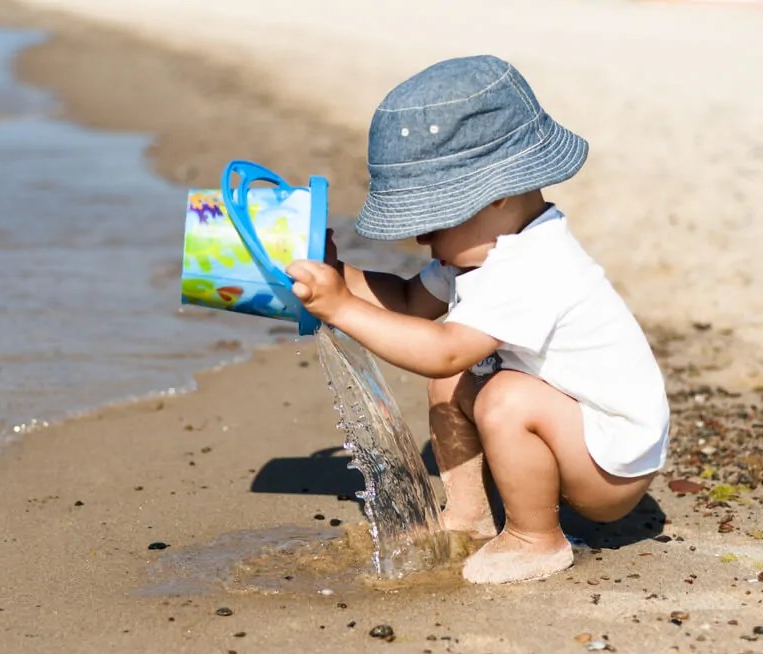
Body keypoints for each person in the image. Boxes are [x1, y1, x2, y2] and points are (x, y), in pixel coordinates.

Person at [286, 55, 670, 584]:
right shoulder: (483, 252)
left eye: (433, 219)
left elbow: (443, 349)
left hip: (610, 464)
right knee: (460, 380)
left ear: (498, 195)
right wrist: (339, 274)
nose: (421, 239)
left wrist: (341, 309)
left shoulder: (534, 264)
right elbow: (406, 303)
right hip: (571, 425)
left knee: (501, 394)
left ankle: (537, 539)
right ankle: (468, 515)